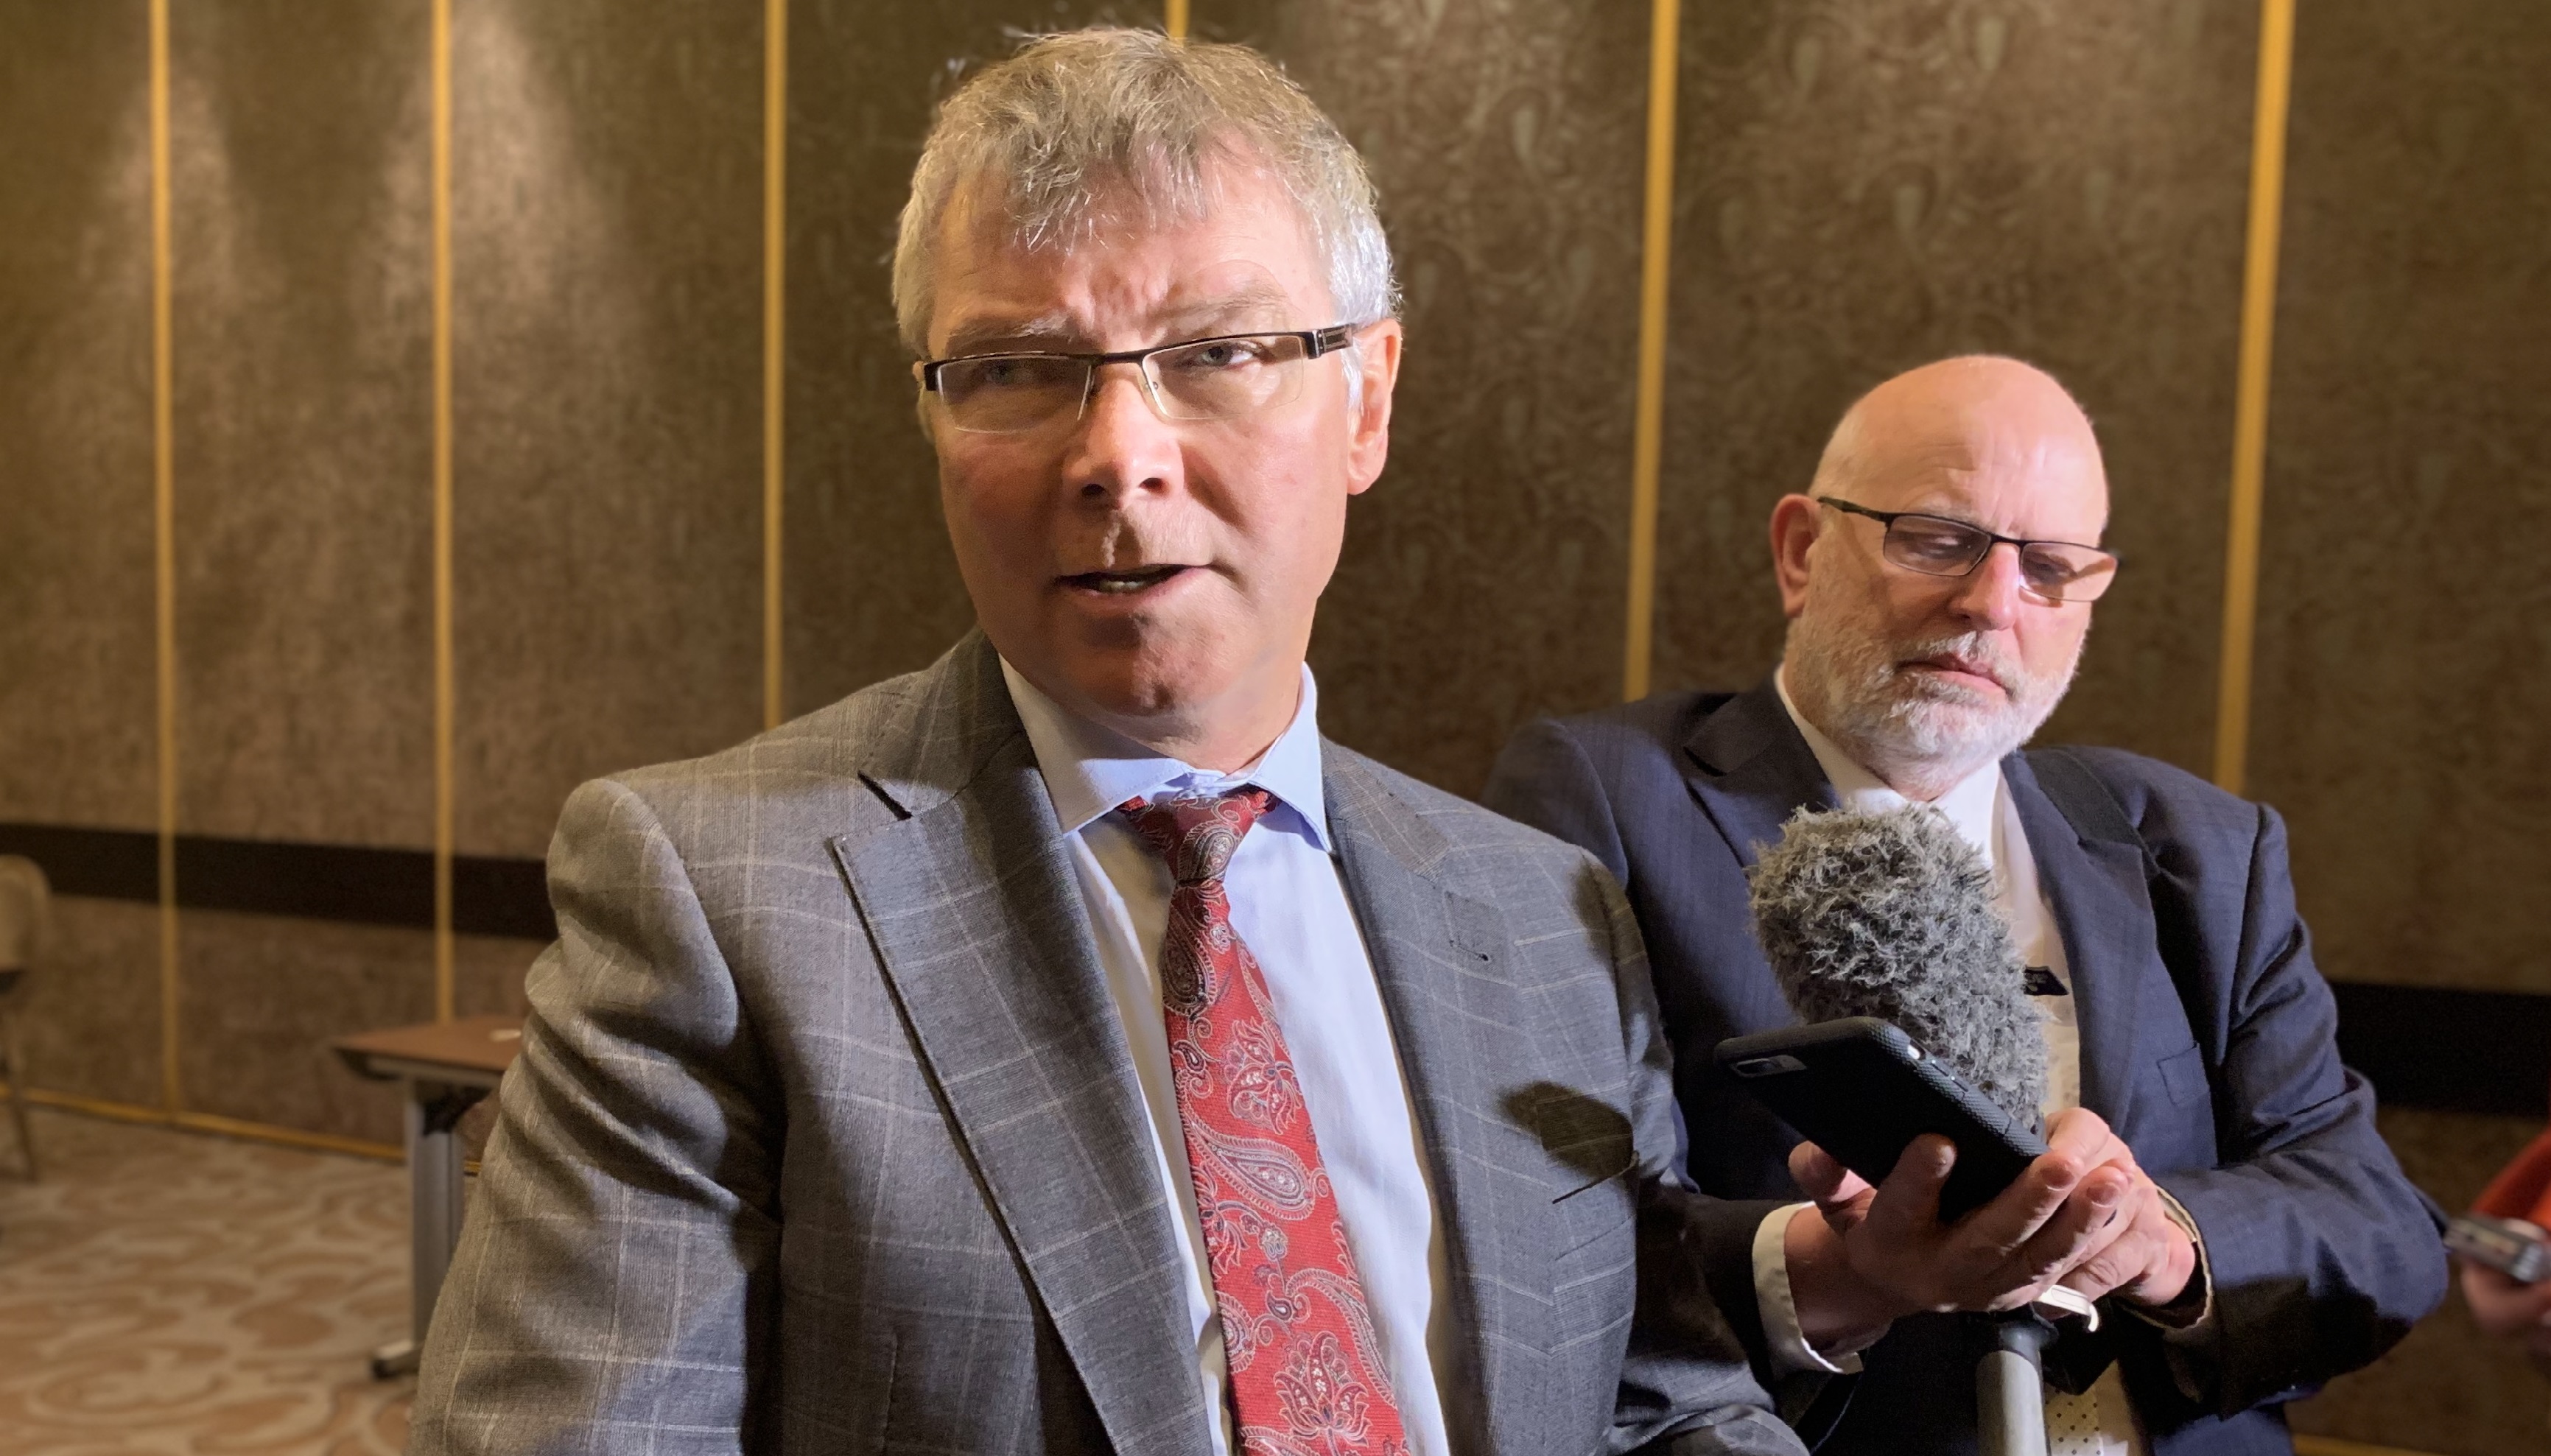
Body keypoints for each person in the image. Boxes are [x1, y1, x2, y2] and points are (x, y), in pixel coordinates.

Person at [408, 28, 1804, 1456]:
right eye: (1017, 367)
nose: (1116, 455)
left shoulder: (1544, 911)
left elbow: (1656, 1401)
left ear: (1367, 399)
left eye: (1220, 352)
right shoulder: (715, 901)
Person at [1484, 356, 2446, 1454]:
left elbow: (2379, 1231)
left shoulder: (2202, 849)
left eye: (2050, 568)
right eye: (1937, 540)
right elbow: (1536, 1235)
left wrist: (2164, 1243)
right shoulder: (1607, 797)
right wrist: (1843, 1272)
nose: (1991, 603)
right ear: (1801, 550)